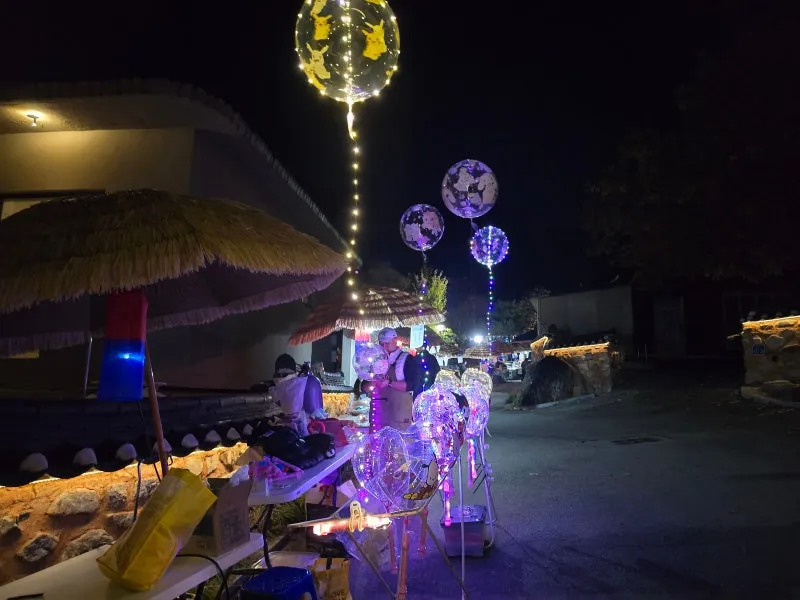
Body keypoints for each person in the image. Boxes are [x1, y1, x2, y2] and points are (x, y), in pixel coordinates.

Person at [370, 327, 417, 433]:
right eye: (381, 343)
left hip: (399, 418)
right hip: (378, 416)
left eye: (387, 343)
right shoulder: (376, 360)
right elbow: (365, 385)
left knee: (398, 442)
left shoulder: (407, 359)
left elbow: (411, 385)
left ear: (395, 340)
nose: (384, 346)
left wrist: (389, 383)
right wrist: (371, 383)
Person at [271, 354, 326, 436]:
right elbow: (315, 412)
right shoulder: (306, 382)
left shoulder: (292, 385)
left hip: (298, 426)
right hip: (306, 424)